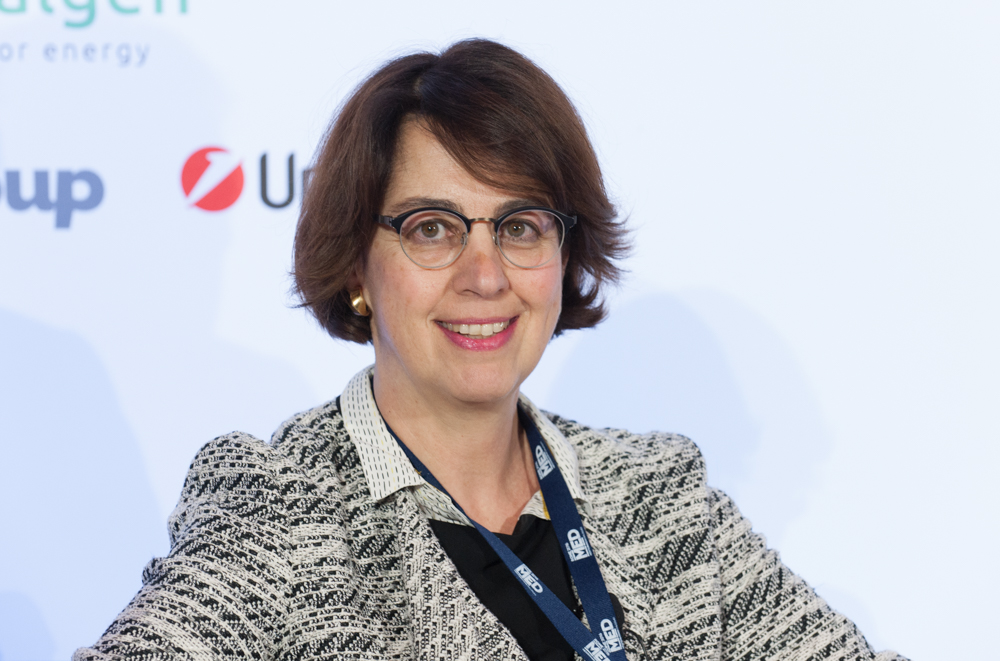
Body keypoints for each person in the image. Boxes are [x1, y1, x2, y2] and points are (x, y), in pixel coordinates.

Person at [75, 39, 907, 661]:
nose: (485, 274)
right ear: (358, 262)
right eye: (432, 228)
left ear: (564, 255)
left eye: (520, 226)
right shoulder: (280, 505)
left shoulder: (657, 496)